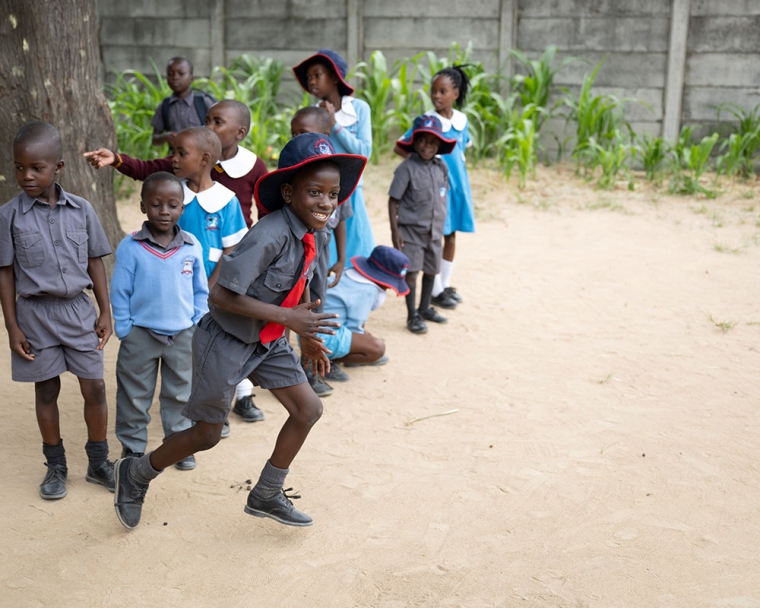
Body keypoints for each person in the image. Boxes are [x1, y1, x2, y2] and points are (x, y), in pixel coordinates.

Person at [112, 133, 366, 530]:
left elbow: (300, 296)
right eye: (315, 192)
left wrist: (311, 339)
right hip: (226, 339)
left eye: (333, 195)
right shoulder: (270, 234)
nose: (325, 203)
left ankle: (266, 493)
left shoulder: (311, 234)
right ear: (288, 192)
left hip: (267, 340)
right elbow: (222, 297)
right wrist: (288, 321)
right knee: (207, 435)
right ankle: (137, 473)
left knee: (308, 409)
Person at [87, 127, 261, 429]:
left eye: (181, 154)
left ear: (204, 159)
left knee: (214, 356)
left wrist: (210, 290)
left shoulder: (225, 200)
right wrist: (117, 159)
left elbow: (232, 250)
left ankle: (222, 411)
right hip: (176, 299)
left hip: (211, 295)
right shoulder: (172, 192)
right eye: (174, 152)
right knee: (185, 363)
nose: (174, 159)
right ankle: (184, 426)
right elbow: (147, 169)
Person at [0, 122, 115, 500]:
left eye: (37, 168)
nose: (26, 175)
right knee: (46, 390)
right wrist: (12, 326)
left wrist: (104, 311)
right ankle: (56, 466)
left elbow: (96, 262)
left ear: (59, 167)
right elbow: (6, 273)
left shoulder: (81, 209)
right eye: (19, 167)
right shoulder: (9, 216)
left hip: (78, 312)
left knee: (95, 388)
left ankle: (98, 462)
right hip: (35, 316)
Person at [110, 172, 209, 471]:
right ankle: (133, 447)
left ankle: (177, 445)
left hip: (182, 333)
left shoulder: (191, 246)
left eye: (172, 204)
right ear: (143, 207)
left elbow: (200, 290)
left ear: (182, 208)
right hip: (140, 334)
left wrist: (196, 321)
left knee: (180, 392)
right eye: (155, 204)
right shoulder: (130, 247)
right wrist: (125, 328)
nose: (164, 211)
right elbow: (120, 291)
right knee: (133, 392)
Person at [86, 99, 268, 228]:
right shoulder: (190, 159)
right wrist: (117, 159)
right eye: (207, 121)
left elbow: (265, 212)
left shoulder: (253, 165)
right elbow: (148, 169)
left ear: (240, 133)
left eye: (217, 122)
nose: (209, 127)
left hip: (233, 243)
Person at [395, 65, 475, 309]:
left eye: (443, 91)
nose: (436, 96)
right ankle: (436, 289)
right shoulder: (426, 123)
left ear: (456, 94)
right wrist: (421, 166)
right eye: (433, 91)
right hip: (434, 190)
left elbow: (462, 150)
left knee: (451, 235)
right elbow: (401, 146)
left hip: (457, 186)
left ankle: (444, 285)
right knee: (436, 235)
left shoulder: (462, 121)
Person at [290, 106, 352, 395]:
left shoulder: (335, 177)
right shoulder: (292, 177)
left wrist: (340, 259)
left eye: (304, 135)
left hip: (323, 252)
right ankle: (293, 373)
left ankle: (311, 368)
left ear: (325, 137)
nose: (295, 142)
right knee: (293, 308)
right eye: (293, 135)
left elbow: (341, 220)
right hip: (296, 251)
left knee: (317, 306)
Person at [293, 49, 375, 267]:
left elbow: (364, 152)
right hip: (322, 192)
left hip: (352, 190)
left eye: (317, 75)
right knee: (323, 248)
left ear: (335, 77)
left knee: (354, 248)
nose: (312, 81)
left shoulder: (359, 109)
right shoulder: (311, 115)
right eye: (309, 77)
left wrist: (334, 124)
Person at [389, 115, 456, 334]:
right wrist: (395, 231)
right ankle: (412, 316)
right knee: (412, 274)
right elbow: (393, 200)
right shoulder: (406, 168)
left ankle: (425, 307)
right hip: (411, 233)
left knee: (431, 271)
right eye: (422, 141)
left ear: (439, 145)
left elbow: (442, 196)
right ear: (414, 142)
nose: (427, 146)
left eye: (432, 141)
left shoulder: (441, 167)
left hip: (434, 232)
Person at [318, 245, 410, 369]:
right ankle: (322, 360)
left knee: (366, 337)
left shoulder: (347, 271)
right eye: (389, 284)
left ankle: (330, 355)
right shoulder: (368, 291)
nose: (389, 288)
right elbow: (355, 327)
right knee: (377, 348)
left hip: (312, 331)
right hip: (325, 338)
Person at [151, 57, 216, 149]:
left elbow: (218, 132)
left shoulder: (204, 103)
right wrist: (165, 136)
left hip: (203, 158)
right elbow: (154, 139)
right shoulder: (164, 106)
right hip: (177, 159)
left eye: (181, 74)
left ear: (191, 78)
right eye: (170, 74)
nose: (175, 77)